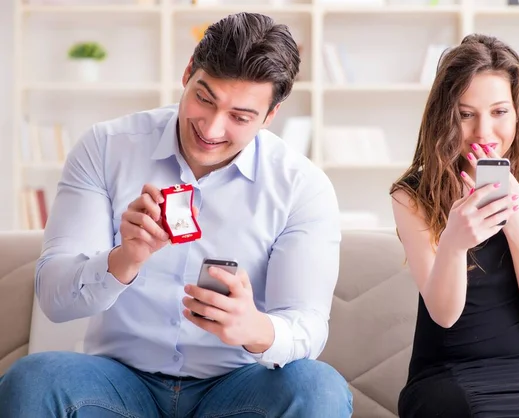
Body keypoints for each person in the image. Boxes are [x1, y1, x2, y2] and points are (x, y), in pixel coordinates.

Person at [0, 12, 352, 418]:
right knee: (33, 380)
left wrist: (255, 329)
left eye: (240, 117)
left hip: (237, 386)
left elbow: (307, 324)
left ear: (269, 116)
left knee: (319, 387)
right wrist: (122, 260)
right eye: (205, 98)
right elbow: (54, 299)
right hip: (118, 382)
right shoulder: (106, 148)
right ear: (188, 73)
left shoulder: (302, 186)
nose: (212, 128)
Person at [390, 34, 519, 418]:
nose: (483, 132)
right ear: (445, 118)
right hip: (447, 375)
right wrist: (453, 241)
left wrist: (517, 226)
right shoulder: (412, 196)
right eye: (466, 114)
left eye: (499, 112)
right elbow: (445, 315)